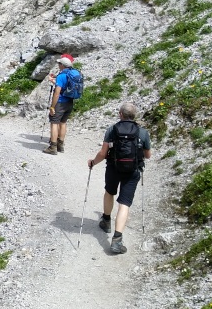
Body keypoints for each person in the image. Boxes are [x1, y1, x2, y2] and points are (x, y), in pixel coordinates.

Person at [87, 102, 152, 254]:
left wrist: (93, 163)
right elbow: (148, 155)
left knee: (109, 192)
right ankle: (117, 240)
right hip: (133, 171)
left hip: (113, 168)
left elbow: (103, 153)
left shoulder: (112, 130)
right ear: (134, 116)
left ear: (120, 114)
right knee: (124, 203)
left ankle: (106, 221)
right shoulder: (142, 132)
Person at [44, 54, 75, 155]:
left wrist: (52, 106)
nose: (58, 64)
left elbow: (57, 93)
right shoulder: (73, 73)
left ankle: (53, 147)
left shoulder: (61, 76)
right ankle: (60, 145)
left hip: (60, 103)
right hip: (70, 102)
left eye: (59, 63)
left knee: (54, 123)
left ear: (62, 65)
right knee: (63, 123)